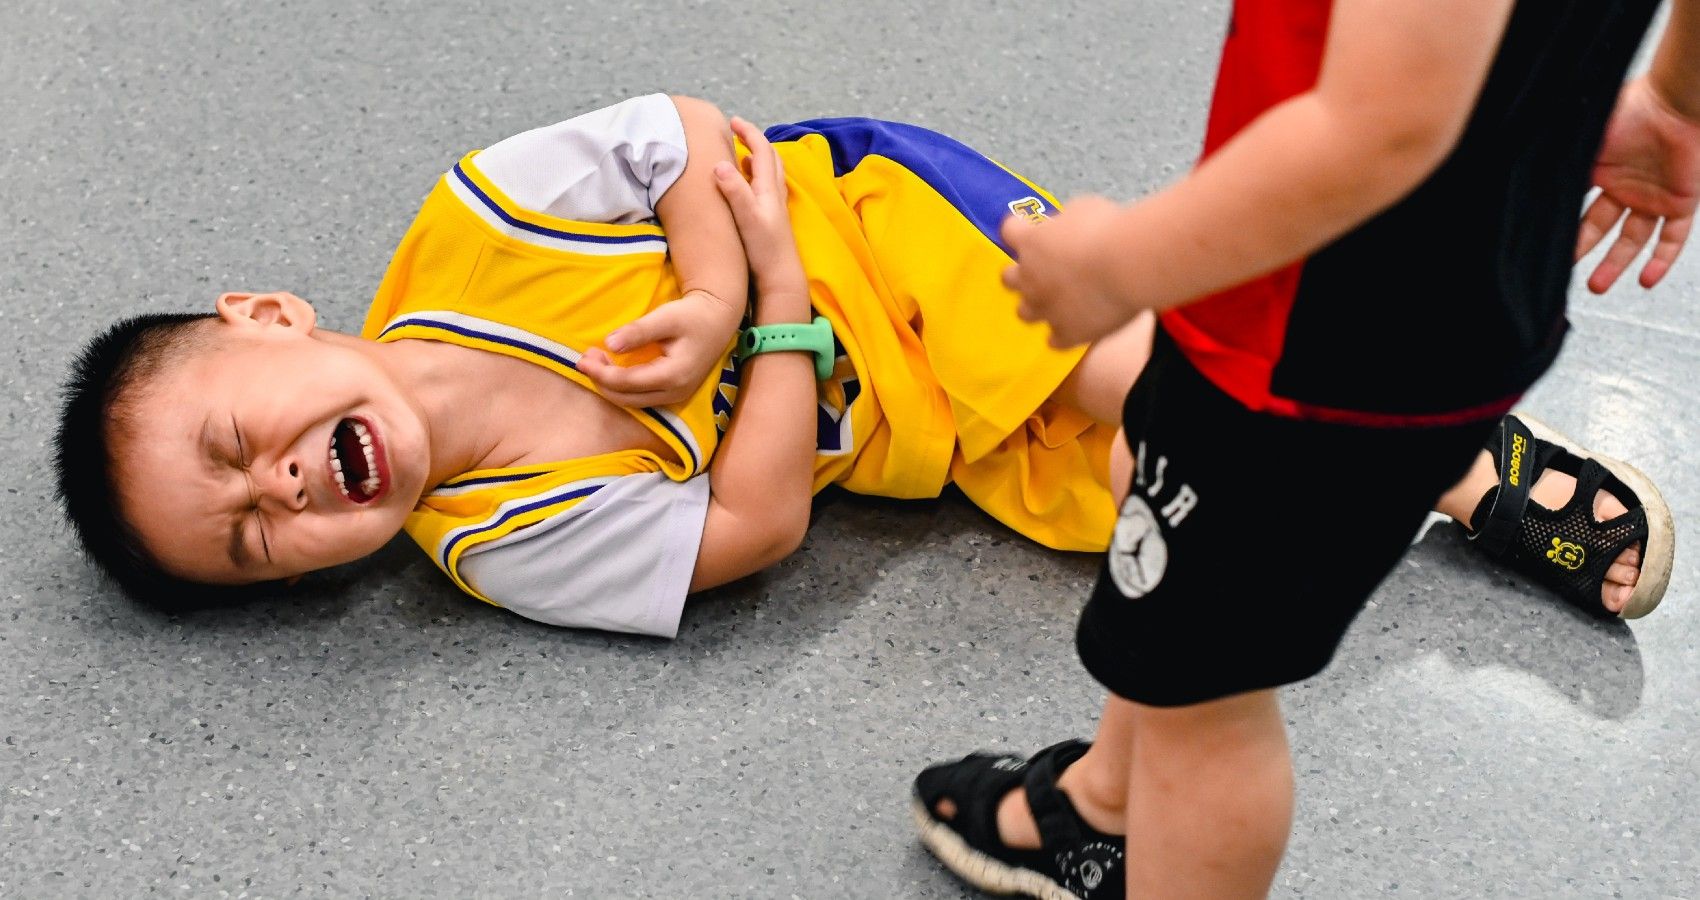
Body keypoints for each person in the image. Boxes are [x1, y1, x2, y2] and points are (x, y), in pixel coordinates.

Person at [56, 94, 1665, 647]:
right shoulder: (498, 545)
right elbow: (754, 529)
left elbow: (688, 136)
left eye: (229, 450)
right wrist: (759, 303)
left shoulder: (479, 214)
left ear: (268, 318)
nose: (275, 492)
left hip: (883, 225)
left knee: (1137, 389)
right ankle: (1411, 462)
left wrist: (720, 268)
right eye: (255, 542)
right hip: (903, 431)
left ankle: (1468, 456)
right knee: (1157, 514)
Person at [911, 0, 1697, 898]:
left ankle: (1138, 832)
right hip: (1444, 271)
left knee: (1205, 711)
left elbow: (1384, 126)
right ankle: (1103, 804)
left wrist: (1115, 267)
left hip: (1310, 323)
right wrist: (1679, 97)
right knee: (1158, 513)